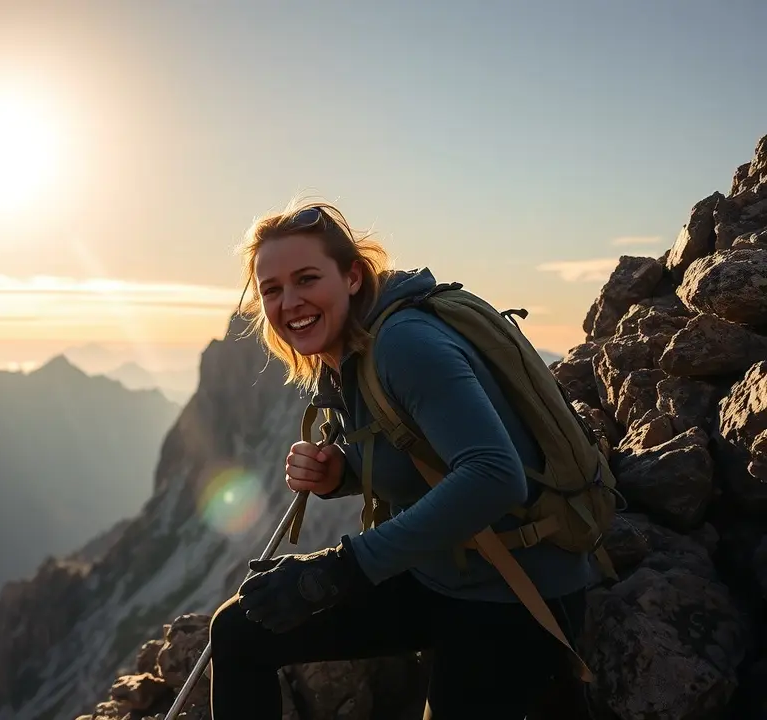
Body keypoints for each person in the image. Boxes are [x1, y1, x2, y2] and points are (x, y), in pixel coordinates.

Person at [207, 199, 592, 719]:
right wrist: (341, 471)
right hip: (441, 573)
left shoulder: (405, 345)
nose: (289, 302)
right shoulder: (352, 349)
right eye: (272, 289)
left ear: (352, 277)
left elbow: (495, 476)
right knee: (240, 630)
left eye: (306, 278)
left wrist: (341, 567)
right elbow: (422, 448)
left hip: (514, 592)